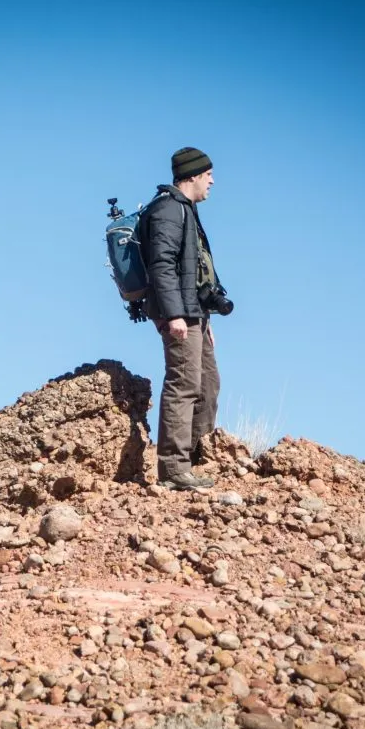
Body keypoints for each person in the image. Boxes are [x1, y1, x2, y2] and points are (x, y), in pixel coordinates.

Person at [140, 146, 224, 491]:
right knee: (184, 384)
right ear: (192, 175)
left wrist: (206, 319)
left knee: (208, 383)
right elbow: (162, 265)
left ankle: (196, 458)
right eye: (208, 175)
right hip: (179, 315)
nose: (213, 182)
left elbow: (195, 271)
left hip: (194, 314)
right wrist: (174, 314)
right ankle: (174, 469)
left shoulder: (185, 210)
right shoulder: (168, 211)